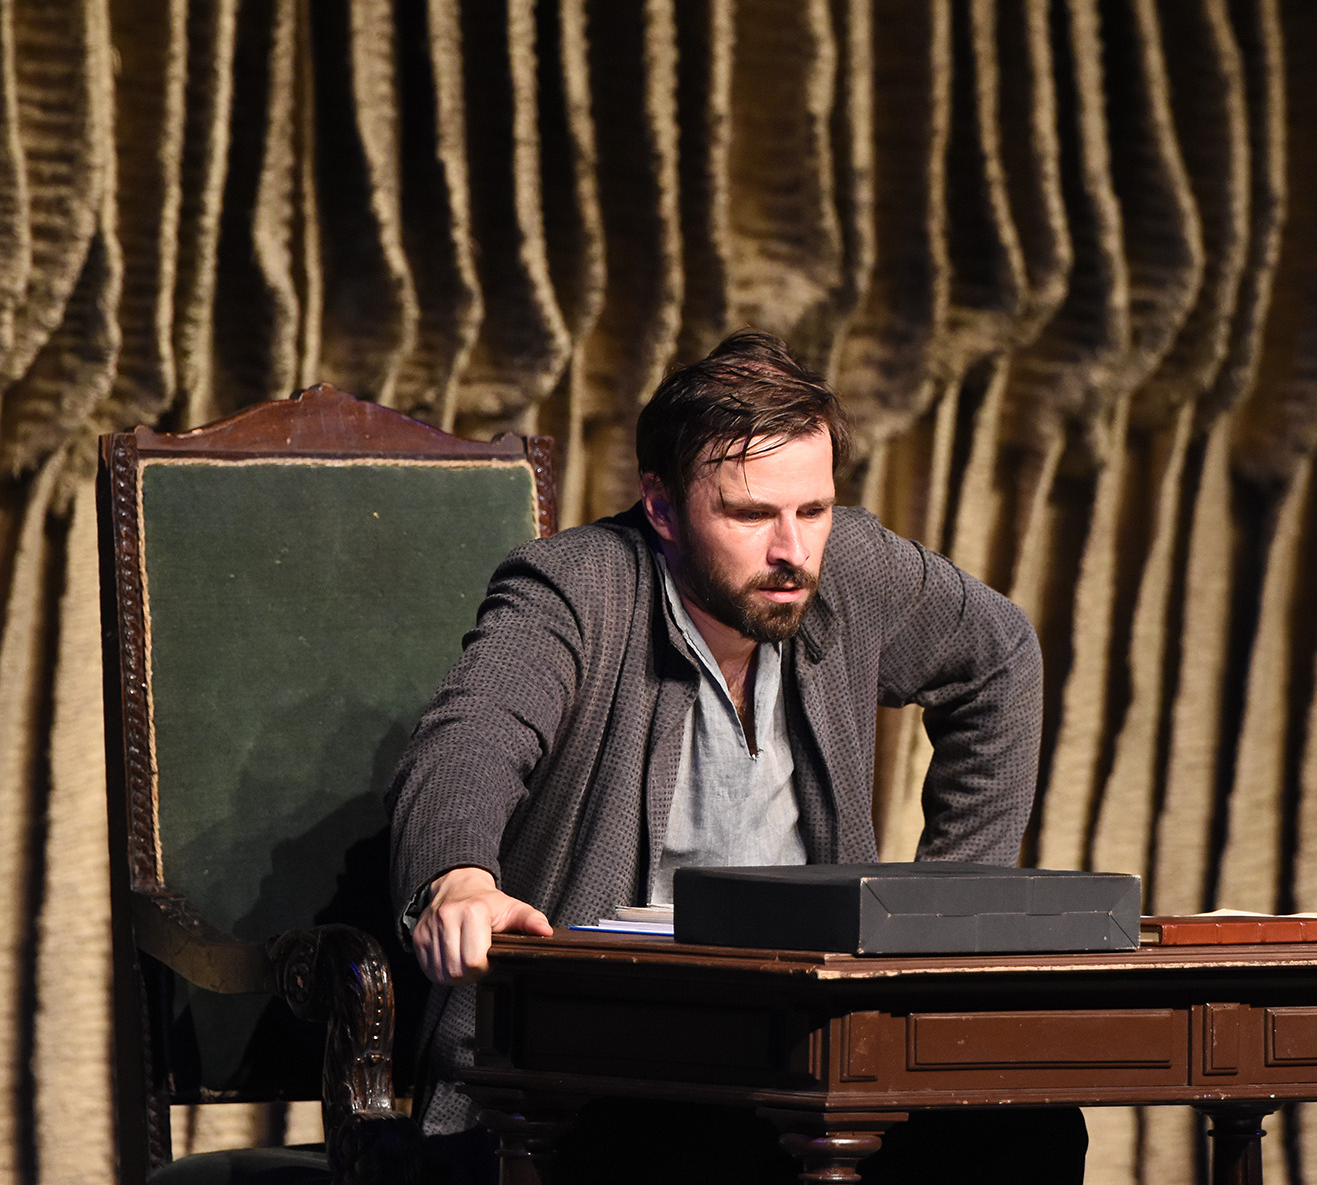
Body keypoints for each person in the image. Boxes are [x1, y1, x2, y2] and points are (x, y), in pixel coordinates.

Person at [386, 330, 1083, 1183]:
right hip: (603, 1061)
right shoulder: (576, 588)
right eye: (751, 516)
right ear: (662, 506)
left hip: (806, 1045)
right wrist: (457, 878)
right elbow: (471, 734)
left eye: (813, 511)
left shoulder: (849, 570)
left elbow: (1001, 654)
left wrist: (950, 904)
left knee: (1028, 1129)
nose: (792, 551)